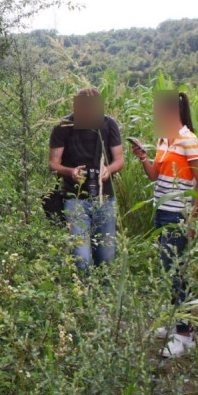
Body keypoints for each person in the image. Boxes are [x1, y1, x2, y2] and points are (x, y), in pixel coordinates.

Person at [131, 90, 198, 359]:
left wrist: (192, 218)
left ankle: (186, 335)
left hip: (178, 215)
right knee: (168, 271)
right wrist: (143, 156)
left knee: (176, 272)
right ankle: (178, 324)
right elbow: (155, 175)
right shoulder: (165, 139)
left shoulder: (189, 140)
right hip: (161, 213)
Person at [49, 87, 125, 273]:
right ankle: (84, 296)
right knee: (81, 257)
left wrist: (108, 170)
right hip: (74, 198)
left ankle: (104, 299)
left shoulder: (108, 125)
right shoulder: (63, 127)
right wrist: (70, 171)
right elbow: (53, 163)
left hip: (104, 197)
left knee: (107, 257)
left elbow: (119, 160)